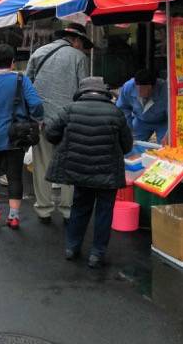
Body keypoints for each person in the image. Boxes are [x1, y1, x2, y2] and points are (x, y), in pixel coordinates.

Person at [46, 77, 133, 268]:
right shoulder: (115, 113)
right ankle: (97, 254)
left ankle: (71, 247)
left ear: (82, 92)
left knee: (79, 207)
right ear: (104, 94)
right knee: (104, 212)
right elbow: (127, 145)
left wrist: (67, 142)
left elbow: (50, 132)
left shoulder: (69, 110)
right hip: (108, 172)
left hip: (79, 170)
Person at [25, 22, 91, 223]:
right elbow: (84, 90)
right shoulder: (79, 57)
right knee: (68, 165)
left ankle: (44, 210)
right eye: (82, 43)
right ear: (77, 40)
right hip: (68, 121)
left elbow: (27, 85)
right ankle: (67, 210)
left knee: (42, 164)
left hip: (42, 120)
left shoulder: (38, 53)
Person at [0, 44, 43, 229]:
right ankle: (13, 217)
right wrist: (37, 117)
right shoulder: (21, 79)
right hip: (16, 135)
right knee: (14, 176)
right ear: (13, 62)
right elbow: (36, 104)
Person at [116, 69, 168, 143]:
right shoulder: (128, 87)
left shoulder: (165, 89)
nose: (142, 92)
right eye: (139, 89)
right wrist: (128, 129)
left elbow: (173, 115)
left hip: (163, 122)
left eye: (146, 89)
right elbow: (123, 108)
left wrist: (168, 134)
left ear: (154, 86)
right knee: (131, 143)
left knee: (166, 146)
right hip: (141, 121)